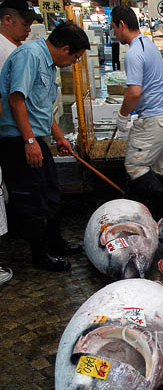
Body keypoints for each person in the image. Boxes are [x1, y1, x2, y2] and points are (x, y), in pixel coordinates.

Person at [0, 21, 89, 272]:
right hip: (18, 140)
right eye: (76, 58)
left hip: (35, 137)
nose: (74, 64)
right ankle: (40, 256)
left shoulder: (49, 64)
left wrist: (59, 137)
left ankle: (55, 243)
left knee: (50, 192)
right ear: (65, 48)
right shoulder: (30, 56)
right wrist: (29, 141)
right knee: (33, 199)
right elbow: (17, 100)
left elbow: (42, 108)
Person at [111, 5, 163, 218]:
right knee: (161, 168)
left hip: (154, 120)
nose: (114, 33)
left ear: (122, 25)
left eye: (114, 28)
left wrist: (122, 116)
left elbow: (133, 92)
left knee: (135, 165)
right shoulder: (148, 45)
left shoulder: (133, 53)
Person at [0, 0, 42, 284]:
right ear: (7, 19)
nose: (28, 29)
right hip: (13, 137)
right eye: (25, 22)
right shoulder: (6, 51)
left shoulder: (15, 48)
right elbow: (16, 100)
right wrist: (30, 140)